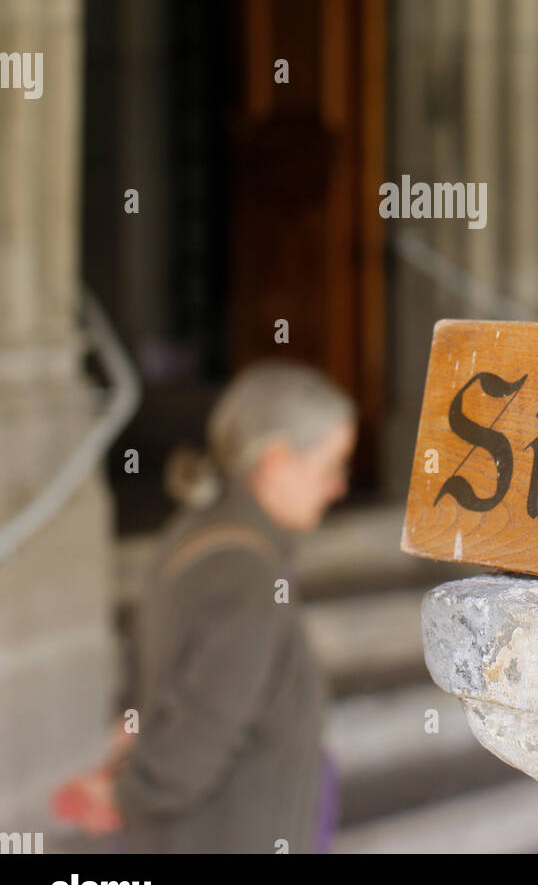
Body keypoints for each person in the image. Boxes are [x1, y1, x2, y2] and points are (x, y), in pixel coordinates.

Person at [53, 360, 357, 854]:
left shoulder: (194, 534)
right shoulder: (249, 574)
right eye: (330, 466)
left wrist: (124, 765)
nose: (338, 487)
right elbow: (200, 729)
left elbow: (141, 687)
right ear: (277, 460)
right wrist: (123, 793)